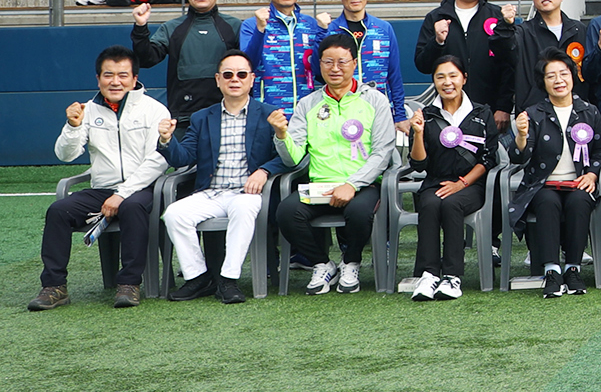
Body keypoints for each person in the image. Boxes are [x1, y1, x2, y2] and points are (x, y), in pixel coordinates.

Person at [29, 46, 171, 311]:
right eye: (108, 75)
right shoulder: (87, 110)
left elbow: (158, 160)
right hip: (102, 189)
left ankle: (129, 284)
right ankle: (54, 286)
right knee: (58, 211)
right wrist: (72, 126)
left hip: (143, 189)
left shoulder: (154, 110)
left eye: (122, 75)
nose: (115, 81)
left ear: (134, 78)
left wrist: (122, 193)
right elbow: (66, 155)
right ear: (98, 79)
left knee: (131, 205)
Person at [272, 32, 399, 295]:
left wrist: (352, 184)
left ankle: (351, 261)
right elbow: (293, 159)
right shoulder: (308, 104)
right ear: (319, 64)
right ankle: (322, 264)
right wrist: (282, 136)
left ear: (355, 62)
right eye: (328, 62)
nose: (335, 69)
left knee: (359, 213)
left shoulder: (375, 100)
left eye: (342, 62)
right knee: (286, 212)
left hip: (363, 185)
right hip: (320, 187)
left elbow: (383, 151)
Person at [159, 49, 284, 303]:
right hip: (211, 193)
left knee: (243, 207)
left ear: (252, 79)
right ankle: (198, 277)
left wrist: (264, 170)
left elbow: (287, 155)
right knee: (174, 214)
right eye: (228, 74)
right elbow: (183, 159)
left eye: (241, 74)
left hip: (247, 192)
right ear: (218, 80)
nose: (234, 79)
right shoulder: (202, 117)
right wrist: (166, 140)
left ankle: (228, 280)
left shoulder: (268, 113)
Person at [510, 49, 601, 298]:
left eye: (563, 74)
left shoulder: (589, 111)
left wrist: (592, 175)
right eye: (551, 76)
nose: (559, 81)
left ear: (573, 76)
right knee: (547, 202)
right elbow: (520, 157)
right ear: (542, 82)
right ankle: (552, 271)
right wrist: (521, 136)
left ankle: (573, 268)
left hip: (579, 183)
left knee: (579, 201)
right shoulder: (534, 114)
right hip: (542, 185)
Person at [404, 54, 492, 301]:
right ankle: (429, 274)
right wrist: (418, 133)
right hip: (435, 181)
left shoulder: (481, 113)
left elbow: (489, 159)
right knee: (430, 203)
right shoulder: (427, 115)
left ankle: (452, 277)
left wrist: (462, 183)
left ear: (464, 78)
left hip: (471, 184)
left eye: (453, 75)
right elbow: (419, 164)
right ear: (434, 81)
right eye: (440, 77)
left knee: (452, 203)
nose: (447, 82)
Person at [414, 0, 516, 128]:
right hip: (448, 113)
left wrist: (504, 107)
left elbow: (510, 66)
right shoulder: (436, 18)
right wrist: (437, 42)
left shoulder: (498, 17)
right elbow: (422, 64)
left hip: (491, 112)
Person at [129, 0, 241, 121]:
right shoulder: (172, 28)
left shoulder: (235, 27)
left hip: (228, 116)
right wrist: (141, 27)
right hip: (183, 118)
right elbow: (146, 60)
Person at [326, 0, 409, 135]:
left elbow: (394, 75)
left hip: (379, 113)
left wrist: (399, 115)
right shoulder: (330, 31)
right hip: (341, 114)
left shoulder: (384, 29)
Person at [240, 0, 324, 122]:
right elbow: (248, 65)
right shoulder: (252, 25)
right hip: (269, 112)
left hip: (307, 113)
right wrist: (260, 30)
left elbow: (319, 70)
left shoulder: (311, 25)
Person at [513, 0, 590, 112]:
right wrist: (504, 26)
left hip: (576, 110)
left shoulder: (579, 29)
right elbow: (503, 50)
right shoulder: (523, 32)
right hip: (535, 111)